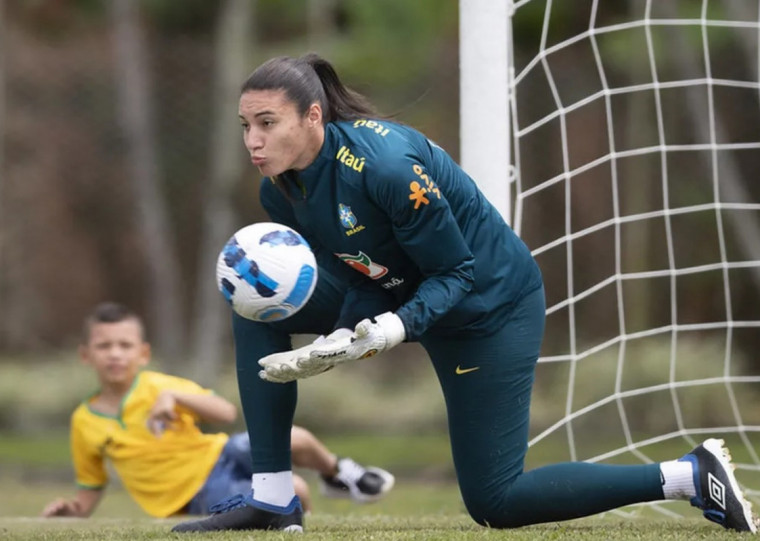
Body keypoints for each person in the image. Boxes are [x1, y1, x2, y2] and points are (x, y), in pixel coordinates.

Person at [171, 53, 758, 534]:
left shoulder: (388, 168)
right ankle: (274, 502)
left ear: (314, 117)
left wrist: (391, 328)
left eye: (267, 122)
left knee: (494, 503)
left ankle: (688, 475)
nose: (253, 139)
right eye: (246, 125)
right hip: (401, 297)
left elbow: (457, 274)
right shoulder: (280, 192)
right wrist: (342, 334)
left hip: (488, 310)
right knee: (252, 298)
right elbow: (352, 272)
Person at [41, 302, 394, 520]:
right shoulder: (84, 422)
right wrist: (72, 511)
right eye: (104, 346)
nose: (115, 354)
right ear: (86, 355)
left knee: (294, 437)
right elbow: (89, 489)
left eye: (124, 345)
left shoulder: (158, 385)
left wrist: (174, 399)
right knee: (296, 488)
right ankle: (291, 521)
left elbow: (224, 412)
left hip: (222, 453)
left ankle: (340, 475)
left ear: (143, 353)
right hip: (196, 492)